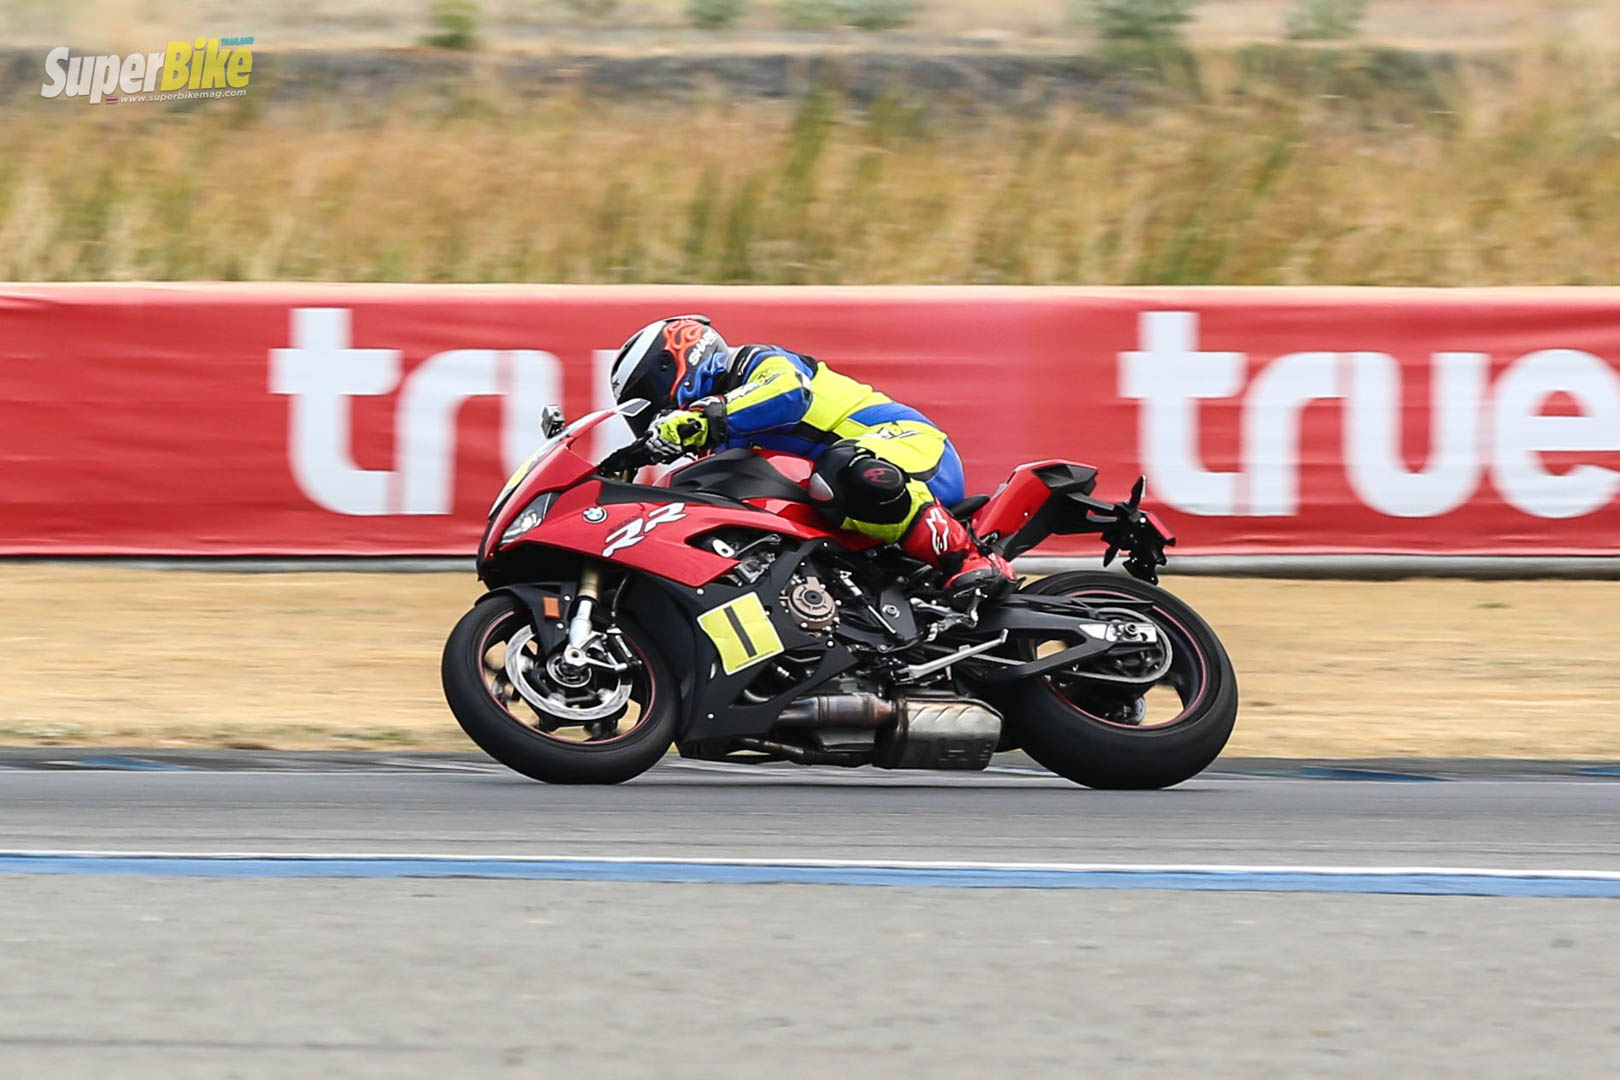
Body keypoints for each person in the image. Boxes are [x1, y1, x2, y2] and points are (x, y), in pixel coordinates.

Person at [608, 314, 1015, 596]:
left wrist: (698, 419)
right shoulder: (722, 444)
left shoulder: (755, 364)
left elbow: (787, 395)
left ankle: (969, 558)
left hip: (911, 452)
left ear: (674, 364)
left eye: (649, 399)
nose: (653, 416)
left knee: (838, 469)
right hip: (846, 509)